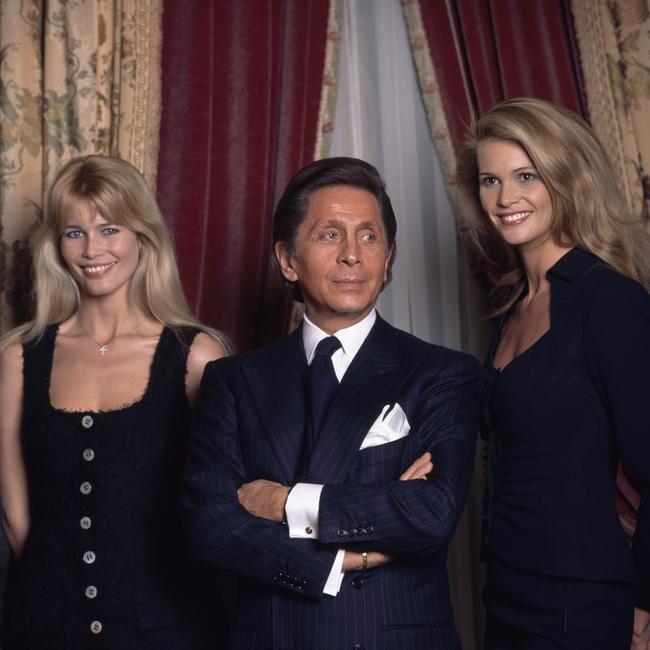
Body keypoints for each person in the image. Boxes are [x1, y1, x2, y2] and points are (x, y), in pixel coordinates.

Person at [182, 156, 481, 650]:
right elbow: (209, 526)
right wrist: (345, 559)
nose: (352, 255)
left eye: (368, 236)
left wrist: (286, 502)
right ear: (287, 259)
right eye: (329, 235)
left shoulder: (440, 372)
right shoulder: (232, 380)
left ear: (387, 259)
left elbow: (431, 511)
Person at [0, 155, 229, 649]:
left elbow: (225, 502)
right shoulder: (19, 357)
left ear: (142, 237)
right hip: (45, 628)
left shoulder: (196, 355)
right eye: (74, 233)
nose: (92, 250)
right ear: (56, 246)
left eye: (110, 229)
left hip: (171, 627)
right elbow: (20, 521)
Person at [457, 97, 650, 649]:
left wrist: (643, 607)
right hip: (508, 591)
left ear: (565, 180)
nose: (505, 198)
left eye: (525, 175)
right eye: (490, 180)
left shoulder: (609, 302)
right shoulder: (515, 305)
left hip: (584, 601)